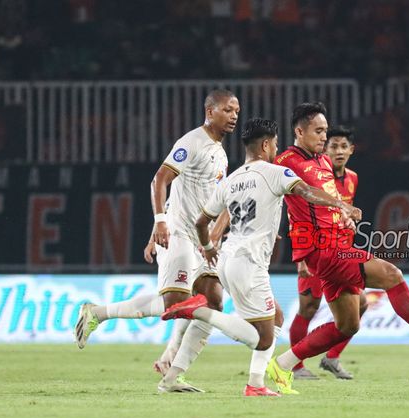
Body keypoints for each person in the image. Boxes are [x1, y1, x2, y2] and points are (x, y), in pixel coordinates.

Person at [267, 102, 409, 395]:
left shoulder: (322, 163)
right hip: (322, 250)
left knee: (347, 325)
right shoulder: (285, 162)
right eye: (318, 132)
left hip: (337, 243)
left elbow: (327, 201)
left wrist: (343, 216)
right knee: (391, 275)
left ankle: (283, 363)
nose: (324, 138)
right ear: (299, 131)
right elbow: (298, 196)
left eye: (325, 131)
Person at [161, 118, 362, 396]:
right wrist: (340, 203)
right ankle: (197, 311)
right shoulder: (274, 172)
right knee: (262, 337)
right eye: (276, 144)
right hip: (249, 262)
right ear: (266, 144)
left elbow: (201, 222)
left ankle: (249, 383)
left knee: (275, 317)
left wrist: (208, 247)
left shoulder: (232, 179)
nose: (276, 149)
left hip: (227, 258)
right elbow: (307, 192)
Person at [75, 89, 239, 393]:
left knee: (214, 301)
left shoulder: (220, 151)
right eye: (228, 110)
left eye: (237, 112)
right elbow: (159, 180)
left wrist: (213, 235)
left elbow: (203, 197)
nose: (233, 117)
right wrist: (160, 223)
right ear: (210, 110)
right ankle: (96, 313)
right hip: (178, 233)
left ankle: (171, 371)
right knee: (175, 304)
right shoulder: (191, 142)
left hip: (200, 240)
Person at [290, 126, 367, 380]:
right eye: (333, 146)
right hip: (315, 249)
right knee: (308, 307)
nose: (338, 151)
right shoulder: (312, 175)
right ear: (325, 148)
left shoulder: (353, 178)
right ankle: (296, 365)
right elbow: (295, 213)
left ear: (351, 150)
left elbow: (344, 212)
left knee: (363, 303)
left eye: (344, 146)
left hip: (342, 250)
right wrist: (300, 257)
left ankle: (332, 357)